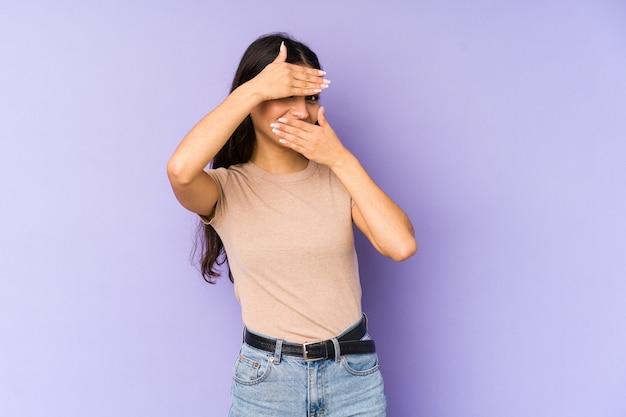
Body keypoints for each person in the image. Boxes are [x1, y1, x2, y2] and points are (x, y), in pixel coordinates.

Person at [167, 33, 417, 417]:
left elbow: (400, 245)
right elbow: (181, 172)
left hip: (353, 376)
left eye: (311, 97)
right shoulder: (227, 189)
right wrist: (252, 91)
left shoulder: (338, 177)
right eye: (285, 94)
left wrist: (340, 159)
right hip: (267, 383)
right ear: (253, 99)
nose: (301, 112)